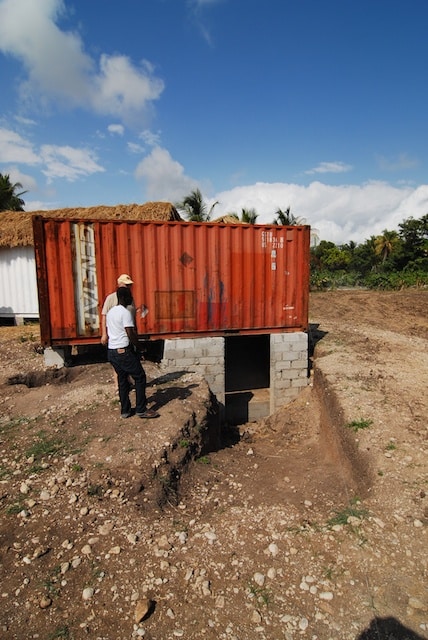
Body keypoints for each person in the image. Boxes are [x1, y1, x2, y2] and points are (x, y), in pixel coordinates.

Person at [106, 287, 159, 419]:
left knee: (122, 380)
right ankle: (141, 409)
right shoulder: (125, 313)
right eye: (129, 296)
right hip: (123, 351)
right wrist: (140, 347)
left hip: (111, 351)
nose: (131, 298)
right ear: (123, 297)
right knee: (140, 377)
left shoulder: (111, 312)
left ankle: (125, 410)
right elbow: (130, 333)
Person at [101, 274, 136, 346]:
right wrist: (104, 334)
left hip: (127, 335)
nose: (128, 287)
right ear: (119, 284)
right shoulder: (110, 298)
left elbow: (133, 316)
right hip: (117, 335)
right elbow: (104, 316)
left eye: (129, 285)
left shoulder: (130, 298)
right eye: (126, 284)